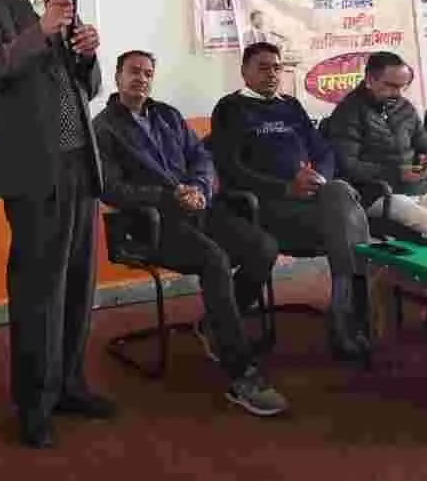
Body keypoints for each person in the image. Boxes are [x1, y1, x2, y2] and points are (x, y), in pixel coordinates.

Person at [0, 0, 115, 449]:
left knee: (78, 283)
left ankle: (69, 385)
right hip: (32, 170)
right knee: (37, 289)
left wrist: (89, 54)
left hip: (79, 165)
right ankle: (34, 403)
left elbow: (87, 89)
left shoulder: (65, 7)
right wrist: (40, 32)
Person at [93, 50, 287, 417]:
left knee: (263, 246)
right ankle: (241, 374)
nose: (141, 78)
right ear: (117, 77)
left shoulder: (167, 115)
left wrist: (199, 187)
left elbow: (202, 158)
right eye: (133, 71)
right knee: (214, 260)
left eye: (148, 73)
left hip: (197, 208)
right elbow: (112, 189)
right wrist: (169, 196)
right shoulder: (103, 128)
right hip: (151, 223)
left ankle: (215, 325)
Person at [209, 42, 372, 361]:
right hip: (263, 207)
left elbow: (323, 152)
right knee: (348, 221)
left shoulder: (291, 105)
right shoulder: (230, 109)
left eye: (276, 67)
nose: (271, 74)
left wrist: (319, 178)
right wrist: (286, 188)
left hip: (312, 202)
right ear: (244, 72)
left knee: (338, 194)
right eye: (262, 67)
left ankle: (343, 317)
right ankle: (349, 319)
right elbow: (231, 170)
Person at [325, 52, 427, 236]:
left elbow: (424, 144)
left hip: (419, 189)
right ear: (370, 80)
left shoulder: (404, 107)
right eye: (391, 86)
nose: (397, 93)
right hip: (377, 195)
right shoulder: (348, 113)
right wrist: (397, 173)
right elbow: (348, 166)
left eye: (402, 86)